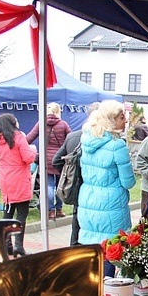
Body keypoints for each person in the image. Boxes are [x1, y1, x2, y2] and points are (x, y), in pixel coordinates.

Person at [77, 100, 135, 277]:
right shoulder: (117, 146)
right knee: (110, 254)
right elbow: (129, 182)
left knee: (93, 254)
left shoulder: (88, 141)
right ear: (111, 120)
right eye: (121, 117)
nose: (125, 121)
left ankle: (91, 295)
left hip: (88, 200)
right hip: (111, 205)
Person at [52, 102, 100, 245]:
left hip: (78, 190)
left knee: (77, 228)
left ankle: (74, 259)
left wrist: (70, 177)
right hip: (97, 193)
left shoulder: (73, 137)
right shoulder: (104, 141)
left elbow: (56, 161)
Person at [0, 113, 37, 257]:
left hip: (6, 178)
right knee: (21, 213)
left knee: (8, 211)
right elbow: (28, 157)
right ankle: (19, 245)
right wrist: (33, 151)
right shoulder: (19, 138)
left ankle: (7, 244)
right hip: (19, 177)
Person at [27, 102, 72, 220]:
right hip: (60, 160)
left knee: (48, 186)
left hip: (45, 160)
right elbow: (71, 139)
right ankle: (59, 209)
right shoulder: (63, 124)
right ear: (58, 112)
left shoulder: (41, 124)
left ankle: (50, 211)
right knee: (60, 186)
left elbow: (29, 139)